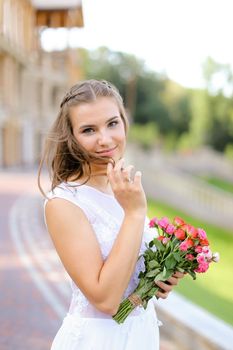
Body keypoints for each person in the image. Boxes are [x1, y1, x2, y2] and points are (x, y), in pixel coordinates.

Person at [38, 79, 184, 350]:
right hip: (97, 341)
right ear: (71, 137)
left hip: (141, 334)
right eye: (89, 130)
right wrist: (135, 212)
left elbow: (128, 275)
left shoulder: (121, 189)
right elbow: (105, 299)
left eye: (112, 123)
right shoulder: (64, 202)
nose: (105, 139)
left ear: (124, 121)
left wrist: (157, 280)